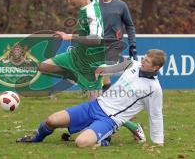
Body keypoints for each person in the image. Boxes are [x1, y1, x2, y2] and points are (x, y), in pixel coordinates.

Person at [16, 49, 166, 147]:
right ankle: (36, 138)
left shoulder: (154, 89)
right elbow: (113, 68)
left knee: (81, 143)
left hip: (110, 119)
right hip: (94, 106)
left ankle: (102, 139)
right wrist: (100, 70)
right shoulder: (133, 64)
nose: (143, 61)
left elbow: (156, 116)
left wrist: (158, 143)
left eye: (146, 61)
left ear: (155, 68)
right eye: (144, 58)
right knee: (51, 120)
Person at [77, 0, 144, 144]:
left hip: (112, 49)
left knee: (102, 84)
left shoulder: (121, 6)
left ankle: (102, 129)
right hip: (94, 50)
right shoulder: (94, 2)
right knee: (96, 96)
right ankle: (122, 126)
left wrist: (133, 45)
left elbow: (130, 26)